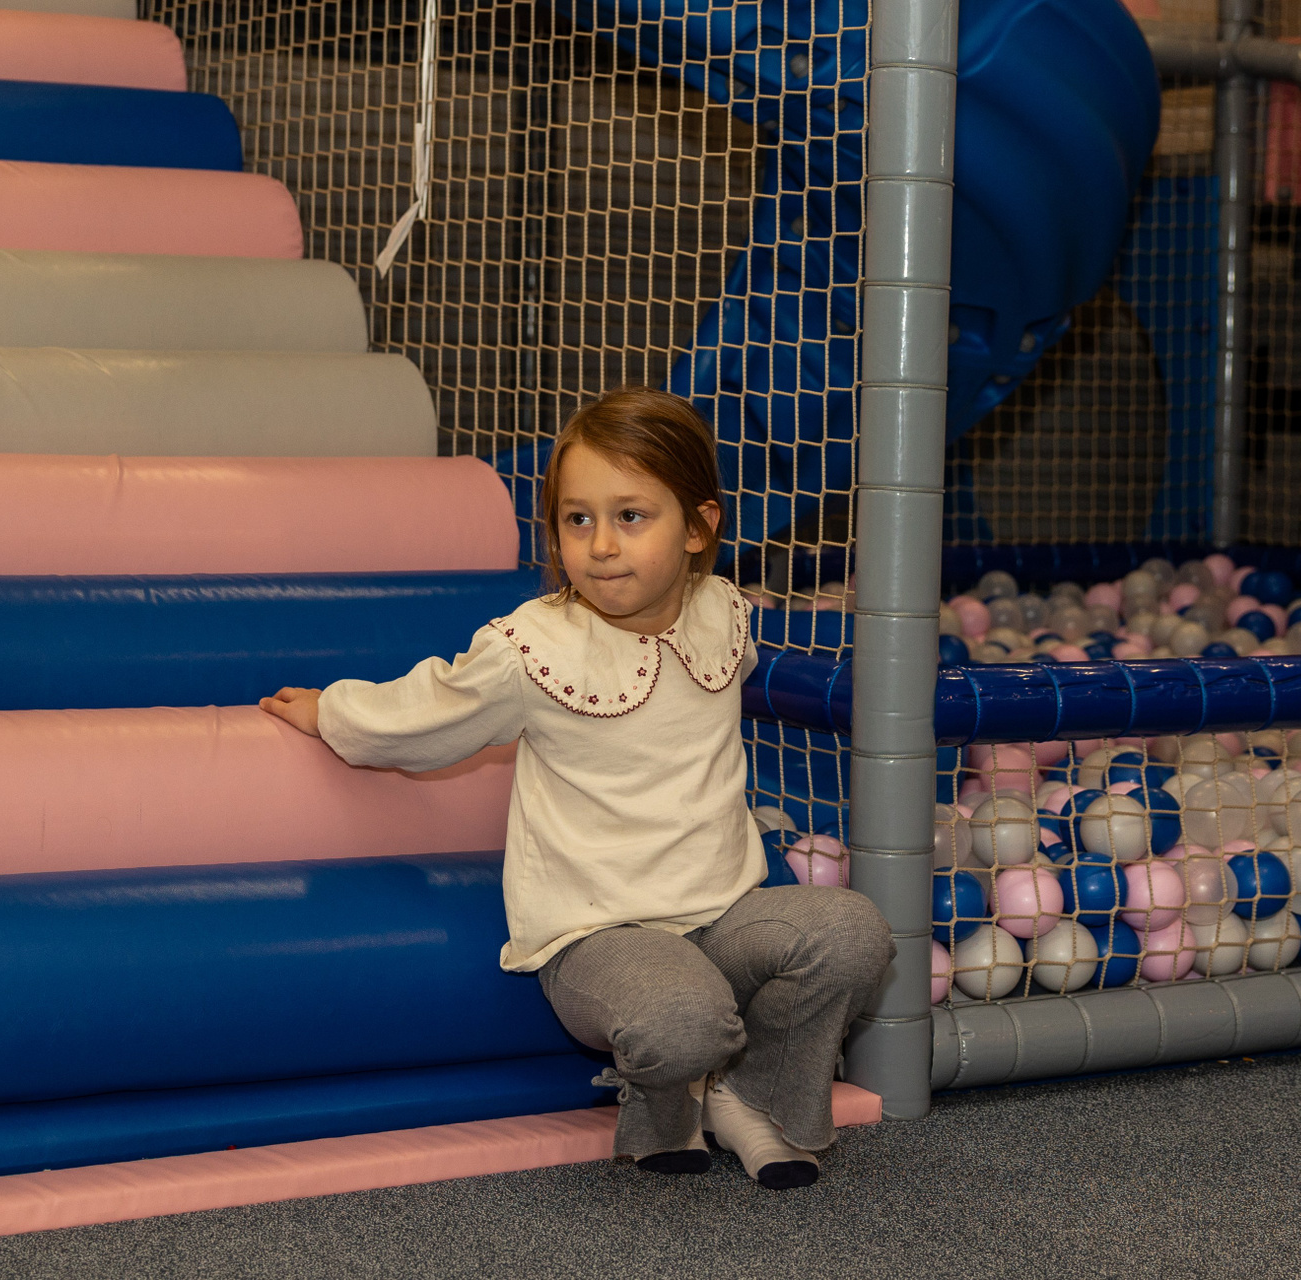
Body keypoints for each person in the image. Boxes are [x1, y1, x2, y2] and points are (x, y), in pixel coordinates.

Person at [260, 387, 891, 1187]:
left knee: (853, 932)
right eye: (577, 518)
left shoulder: (721, 612)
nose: (601, 545)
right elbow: (429, 712)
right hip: (601, 935)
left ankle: (750, 1097)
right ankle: (667, 1109)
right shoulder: (537, 647)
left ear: (698, 527)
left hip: (724, 913)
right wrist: (332, 711)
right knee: (682, 1017)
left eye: (632, 516)